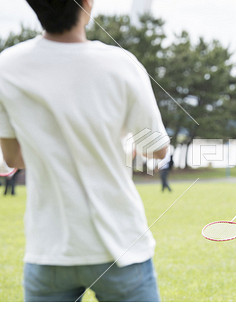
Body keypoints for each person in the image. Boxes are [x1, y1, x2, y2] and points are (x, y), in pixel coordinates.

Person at [0, 0, 169, 302]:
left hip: (48, 250)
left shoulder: (7, 66)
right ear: (87, 5)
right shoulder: (121, 63)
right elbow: (156, 150)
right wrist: (121, 148)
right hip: (120, 247)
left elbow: (12, 158)